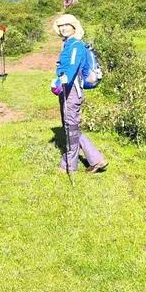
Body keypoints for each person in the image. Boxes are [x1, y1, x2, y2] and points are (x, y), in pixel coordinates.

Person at [51, 14, 107, 174]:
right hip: (67, 89)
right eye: (61, 26)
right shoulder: (68, 44)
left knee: (71, 128)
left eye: (67, 25)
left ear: (74, 26)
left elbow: (72, 68)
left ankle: (69, 165)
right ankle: (96, 159)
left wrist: (60, 82)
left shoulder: (75, 45)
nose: (63, 28)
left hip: (71, 90)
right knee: (71, 126)